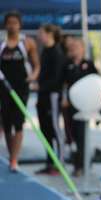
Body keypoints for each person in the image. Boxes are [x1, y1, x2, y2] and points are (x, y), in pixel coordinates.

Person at [0, 11, 40, 172]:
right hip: (3, 87)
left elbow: (36, 65)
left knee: (18, 123)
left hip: (20, 87)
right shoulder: (1, 44)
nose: (12, 26)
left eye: (15, 23)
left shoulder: (27, 43)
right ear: (5, 25)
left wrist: (33, 77)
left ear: (19, 25)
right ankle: (11, 156)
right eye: (9, 23)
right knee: (6, 123)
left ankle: (15, 159)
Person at [62, 38, 98, 177]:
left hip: (85, 105)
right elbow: (63, 83)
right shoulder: (67, 64)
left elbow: (95, 82)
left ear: (83, 49)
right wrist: (64, 98)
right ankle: (77, 162)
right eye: (72, 47)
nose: (74, 49)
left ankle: (83, 164)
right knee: (71, 135)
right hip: (70, 105)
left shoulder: (88, 64)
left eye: (77, 46)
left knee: (82, 134)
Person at [35, 24, 65, 175]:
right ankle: (49, 162)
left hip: (52, 95)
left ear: (49, 34)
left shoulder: (57, 52)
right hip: (43, 95)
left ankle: (59, 163)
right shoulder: (45, 51)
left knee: (54, 128)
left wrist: (40, 87)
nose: (39, 36)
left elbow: (56, 78)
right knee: (45, 130)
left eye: (41, 33)